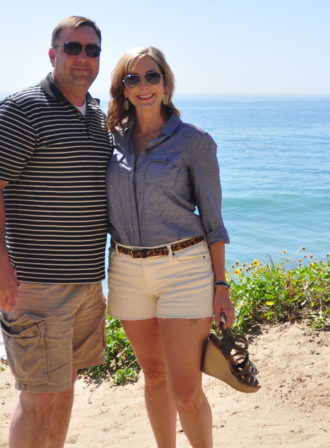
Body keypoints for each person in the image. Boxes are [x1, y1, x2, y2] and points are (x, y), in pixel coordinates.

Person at [0, 16, 112, 448]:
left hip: (87, 282)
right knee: (39, 398)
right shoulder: (23, 108)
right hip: (37, 284)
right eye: (73, 48)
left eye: (92, 50)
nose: (83, 58)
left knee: (65, 387)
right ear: (53, 55)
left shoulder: (96, 114)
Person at [105, 46, 233, 448]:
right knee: (154, 376)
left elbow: (213, 219)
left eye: (152, 76)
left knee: (186, 389)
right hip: (127, 271)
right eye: (133, 79)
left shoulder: (194, 142)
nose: (143, 86)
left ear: (166, 83)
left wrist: (221, 284)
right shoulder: (109, 141)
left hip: (184, 269)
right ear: (122, 88)